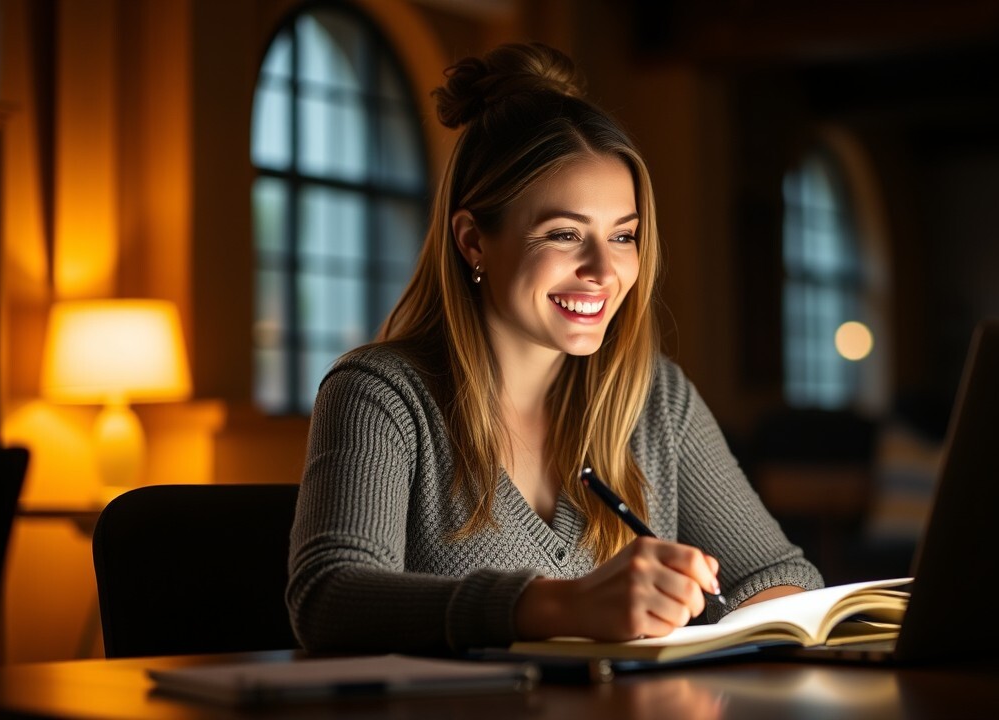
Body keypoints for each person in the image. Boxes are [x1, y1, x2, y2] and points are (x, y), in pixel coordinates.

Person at [286, 42, 822, 655]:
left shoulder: (655, 396)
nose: (603, 270)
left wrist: (759, 616)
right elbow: (328, 599)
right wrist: (561, 605)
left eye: (624, 236)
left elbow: (780, 575)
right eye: (564, 234)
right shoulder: (380, 393)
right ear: (472, 242)